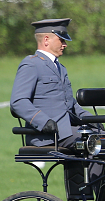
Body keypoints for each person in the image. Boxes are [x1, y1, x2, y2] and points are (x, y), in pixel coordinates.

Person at [11, 18, 90, 148]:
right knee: (95, 143)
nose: (65, 45)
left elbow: (69, 104)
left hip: (67, 131)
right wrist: (43, 121)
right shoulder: (31, 64)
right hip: (47, 135)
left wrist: (91, 119)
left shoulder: (60, 67)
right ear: (46, 40)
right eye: (61, 40)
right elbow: (18, 102)